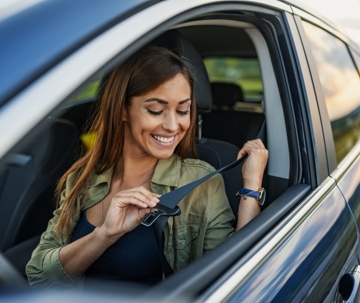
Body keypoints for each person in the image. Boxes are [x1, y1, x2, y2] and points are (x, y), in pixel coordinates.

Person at [26, 46, 268, 289]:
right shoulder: (83, 177)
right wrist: (104, 235)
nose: (173, 126)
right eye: (156, 110)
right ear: (122, 110)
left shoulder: (200, 181)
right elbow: (39, 275)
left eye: (183, 110)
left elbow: (237, 275)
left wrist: (251, 185)